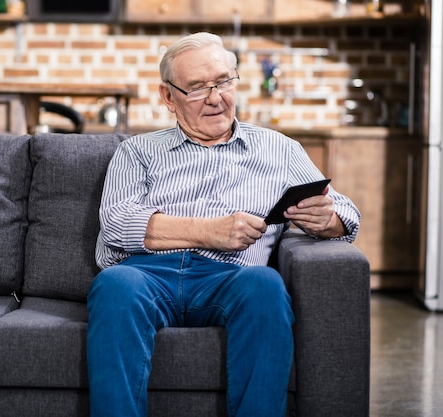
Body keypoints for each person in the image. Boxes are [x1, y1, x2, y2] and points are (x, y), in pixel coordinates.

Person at [86, 32, 360, 417]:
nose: (216, 98)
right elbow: (116, 221)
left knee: (266, 284)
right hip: (148, 274)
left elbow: (344, 210)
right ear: (168, 96)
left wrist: (327, 219)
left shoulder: (279, 149)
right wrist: (208, 231)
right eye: (197, 88)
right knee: (114, 285)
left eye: (224, 81)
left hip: (232, 276)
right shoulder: (138, 151)